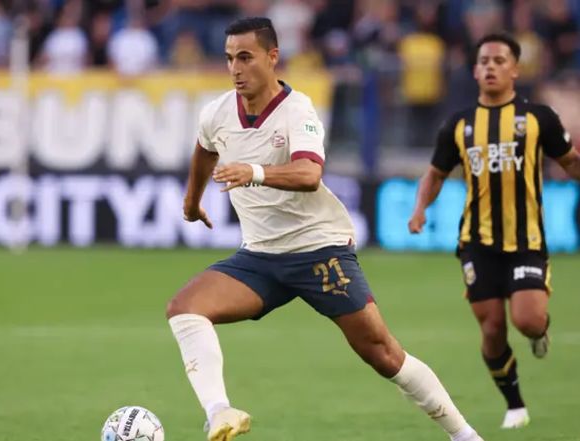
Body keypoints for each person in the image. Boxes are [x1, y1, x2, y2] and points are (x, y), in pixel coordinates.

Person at [166, 16, 484, 441]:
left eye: (245, 57)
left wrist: (253, 171)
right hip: (260, 257)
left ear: (272, 57)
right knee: (185, 308)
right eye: (229, 59)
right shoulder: (218, 112)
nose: (235, 69)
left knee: (382, 353)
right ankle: (220, 413)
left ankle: (465, 435)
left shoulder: (297, 110)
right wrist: (192, 202)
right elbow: (205, 149)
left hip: (319, 250)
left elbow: (309, 174)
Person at [409, 33, 580, 429]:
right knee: (491, 328)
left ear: (515, 70)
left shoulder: (538, 118)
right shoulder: (459, 124)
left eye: (499, 60)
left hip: (526, 240)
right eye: (484, 61)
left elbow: (569, 160)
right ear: (474, 70)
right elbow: (435, 174)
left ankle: (539, 333)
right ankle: (515, 404)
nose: (490, 67)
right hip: (477, 242)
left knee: (528, 320)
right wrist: (419, 210)